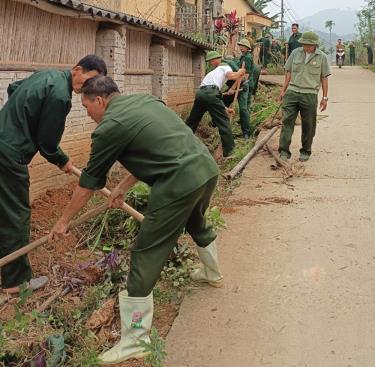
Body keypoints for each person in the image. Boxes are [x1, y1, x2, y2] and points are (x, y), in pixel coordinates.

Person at [49, 75, 223, 364]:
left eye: (86, 106)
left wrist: (63, 221)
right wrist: (121, 187)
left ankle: (136, 340)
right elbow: (155, 149)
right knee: (196, 221)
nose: (87, 113)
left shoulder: (109, 128)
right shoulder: (144, 100)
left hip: (178, 182)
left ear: (100, 100)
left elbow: (88, 183)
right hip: (204, 168)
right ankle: (212, 273)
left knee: (145, 254)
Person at [0, 55, 107, 295]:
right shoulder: (60, 96)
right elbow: (47, 143)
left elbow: (13, 88)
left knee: (4, 208)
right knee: (16, 214)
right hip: (10, 154)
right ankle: (16, 281)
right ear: (77, 70)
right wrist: (63, 161)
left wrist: (17, 121)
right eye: (89, 79)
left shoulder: (44, 74)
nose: (89, 87)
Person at [278, 32, 331, 162]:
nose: (306, 47)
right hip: (292, 92)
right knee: (286, 122)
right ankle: (284, 152)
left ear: (315, 45)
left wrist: (325, 98)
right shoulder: (296, 53)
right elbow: (289, 72)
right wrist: (283, 90)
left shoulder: (322, 57)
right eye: (304, 44)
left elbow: (324, 78)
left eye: (309, 45)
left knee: (309, 125)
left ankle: (305, 151)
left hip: (309, 95)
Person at [186, 51, 246, 155]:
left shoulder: (214, 72)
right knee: (223, 122)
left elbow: (213, 100)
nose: (210, 64)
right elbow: (231, 76)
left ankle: (182, 142)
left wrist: (226, 109)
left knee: (192, 121)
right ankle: (229, 150)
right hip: (211, 92)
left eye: (210, 61)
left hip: (200, 93)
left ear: (217, 59)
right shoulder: (225, 67)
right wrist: (240, 72)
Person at [222, 39, 254, 138]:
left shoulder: (248, 58)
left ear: (248, 48)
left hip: (243, 86)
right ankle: (216, 122)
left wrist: (233, 88)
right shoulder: (242, 57)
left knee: (243, 109)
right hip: (237, 84)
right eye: (240, 45)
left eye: (243, 46)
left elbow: (245, 76)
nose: (241, 47)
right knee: (223, 101)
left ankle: (246, 133)